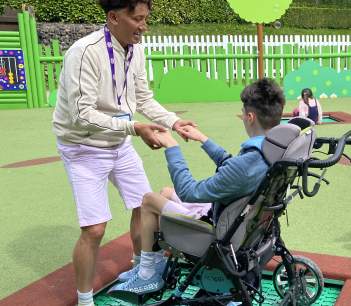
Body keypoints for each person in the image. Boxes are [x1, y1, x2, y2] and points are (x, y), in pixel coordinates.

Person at [51, 1, 196, 305]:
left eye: (146, 19)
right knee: (94, 229)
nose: (144, 26)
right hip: (83, 146)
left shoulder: (136, 48)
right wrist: (135, 128)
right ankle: (86, 299)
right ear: (113, 17)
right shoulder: (84, 52)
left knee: (144, 208)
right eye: (138, 19)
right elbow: (82, 115)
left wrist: (173, 121)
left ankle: (141, 272)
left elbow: (143, 97)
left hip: (119, 142)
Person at [111, 78, 285, 294]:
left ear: (250, 117)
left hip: (220, 232)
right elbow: (234, 166)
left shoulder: (247, 165)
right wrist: (203, 139)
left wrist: (172, 147)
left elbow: (189, 191)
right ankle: (152, 263)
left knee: (149, 200)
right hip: (243, 223)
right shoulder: (273, 149)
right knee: (165, 192)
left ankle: (148, 274)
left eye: (243, 114)